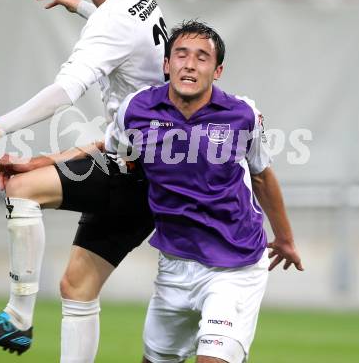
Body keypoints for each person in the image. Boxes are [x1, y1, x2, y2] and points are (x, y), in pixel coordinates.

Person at [0, 0, 168, 361]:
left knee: (20, 187)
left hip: (133, 171)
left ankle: (17, 317)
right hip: (154, 170)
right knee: (78, 288)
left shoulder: (111, 20)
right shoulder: (139, 0)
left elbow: (65, 91)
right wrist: (79, 6)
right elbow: (127, 34)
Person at [105, 20, 304, 363]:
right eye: (181, 55)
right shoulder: (136, 109)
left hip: (235, 263)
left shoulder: (242, 115)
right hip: (175, 264)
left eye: (202, 57)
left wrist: (284, 238)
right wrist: (37, 165)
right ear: (166, 65)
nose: (190, 64)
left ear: (218, 70)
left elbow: (261, 175)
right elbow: (106, 151)